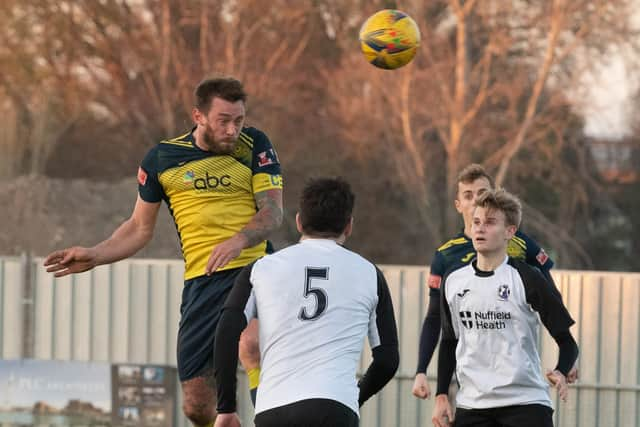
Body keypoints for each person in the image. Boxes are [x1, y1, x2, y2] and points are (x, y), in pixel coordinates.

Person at [43, 77, 283, 427]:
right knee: (197, 407)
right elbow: (139, 228)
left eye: (239, 120)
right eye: (223, 120)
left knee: (251, 344)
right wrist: (95, 255)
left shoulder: (255, 145)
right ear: (198, 116)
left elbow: (272, 211)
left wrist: (239, 240)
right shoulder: (162, 158)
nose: (232, 129)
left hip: (255, 269)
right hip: (203, 282)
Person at [212, 177, 399, 427]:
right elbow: (387, 360)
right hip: (334, 409)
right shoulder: (369, 274)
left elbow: (226, 330)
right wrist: (353, 397)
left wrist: (226, 407)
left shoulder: (261, 269)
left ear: (299, 221)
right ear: (349, 226)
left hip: (274, 410)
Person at [412, 164, 568, 400]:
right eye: (468, 195)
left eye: (482, 193)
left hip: (516, 380)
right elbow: (436, 317)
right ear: (458, 205)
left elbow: (551, 296)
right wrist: (421, 370)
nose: (476, 200)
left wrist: (566, 357)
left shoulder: (518, 242)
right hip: (470, 379)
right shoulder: (446, 256)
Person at [431, 188, 579, 427]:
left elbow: (567, 340)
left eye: (490, 223)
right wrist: (440, 395)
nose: (479, 228)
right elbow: (449, 341)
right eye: (476, 222)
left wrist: (561, 371)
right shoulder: (453, 280)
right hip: (473, 406)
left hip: (526, 404)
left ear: (510, 231)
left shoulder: (527, 278)